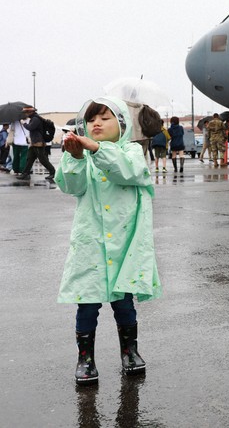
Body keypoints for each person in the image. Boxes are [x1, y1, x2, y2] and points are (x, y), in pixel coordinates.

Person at [55, 96, 162, 385]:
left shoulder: (131, 151)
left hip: (123, 242)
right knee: (87, 302)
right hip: (91, 240)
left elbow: (129, 172)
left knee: (123, 301)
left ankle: (130, 351)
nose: (96, 123)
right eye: (91, 120)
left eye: (105, 117)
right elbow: (71, 186)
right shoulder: (79, 152)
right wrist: (76, 158)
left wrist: (97, 149)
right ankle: (85, 358)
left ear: (121, 123)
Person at [17, 106, 56, 182]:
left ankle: (53, 172)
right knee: (29, 159)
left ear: (30, 112)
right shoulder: (34, 118)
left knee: (43, 159)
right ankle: (25, 173)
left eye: (26, 112)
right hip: (34, 142)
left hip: (38, 142)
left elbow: (31, 127)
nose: (25, 114)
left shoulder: (36, 119)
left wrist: (24, 123)